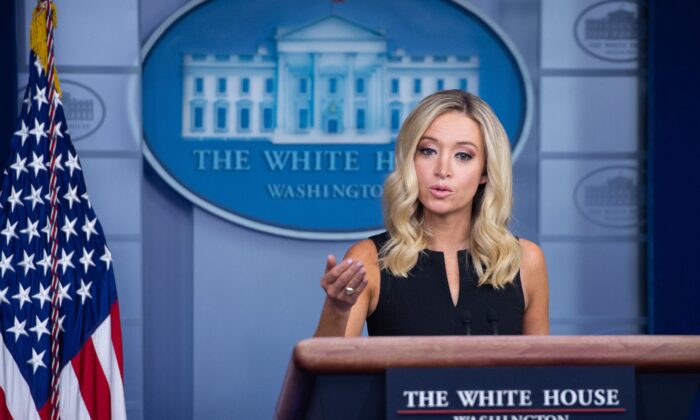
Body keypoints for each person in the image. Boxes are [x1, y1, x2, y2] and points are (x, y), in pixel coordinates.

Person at [314, 90, 549, 337]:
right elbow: (324, 367)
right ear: (409, 161)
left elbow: (541, 374)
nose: (442, 169)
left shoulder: (525, 261)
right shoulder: (368, 258)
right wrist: (338, 309)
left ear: (485, 172)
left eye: (463, 155)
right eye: (428, 151)